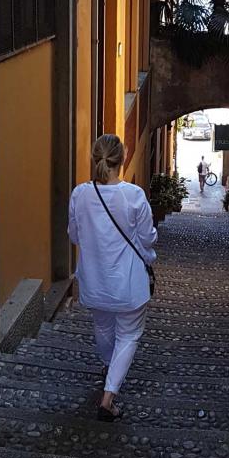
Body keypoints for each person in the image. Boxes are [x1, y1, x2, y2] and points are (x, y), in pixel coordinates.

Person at [68, 133, 157, 422]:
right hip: (129, 284)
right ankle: (108, 397)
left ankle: (110, 369)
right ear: (124, 157)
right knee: (128, 335)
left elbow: (74, 234)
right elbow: (147, 237)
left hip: (94, 281)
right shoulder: (133, 196)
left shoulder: (80, 194)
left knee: (104, 329)